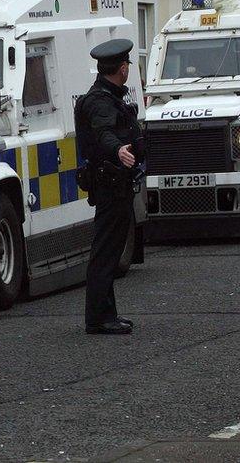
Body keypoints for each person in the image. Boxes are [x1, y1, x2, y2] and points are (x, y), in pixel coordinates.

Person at [74, 39, 143, 335]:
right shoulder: (100, 101)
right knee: (105, 252)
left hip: (116, 182)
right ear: (123, 69)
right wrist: (118, 151)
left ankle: (106, 314)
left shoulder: (107, 96)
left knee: (111, 250)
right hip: (110, 183)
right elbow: (103, 133)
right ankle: (99, 318)